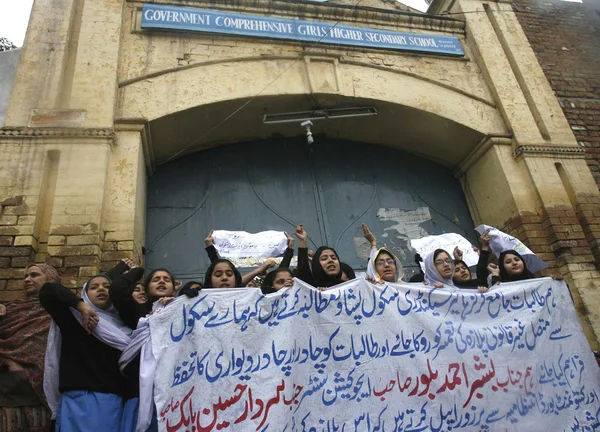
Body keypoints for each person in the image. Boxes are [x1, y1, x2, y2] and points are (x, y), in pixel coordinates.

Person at [41, 274, 132, 432]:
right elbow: (48, 291)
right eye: (94, 287)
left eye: (107, 286)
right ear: (85, 293)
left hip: (112, 403)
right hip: (76, 401)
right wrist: (82, 306)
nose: (101, 289)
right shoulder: (73, 319)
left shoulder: (125, 328)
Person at [0, 264, 59, 432]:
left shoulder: (59, 311)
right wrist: (10, 363)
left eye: (34, 275)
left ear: (50, 279)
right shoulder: (10, 310)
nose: (27, 280)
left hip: (43, 397)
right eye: (26, 276)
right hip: (9, 395)